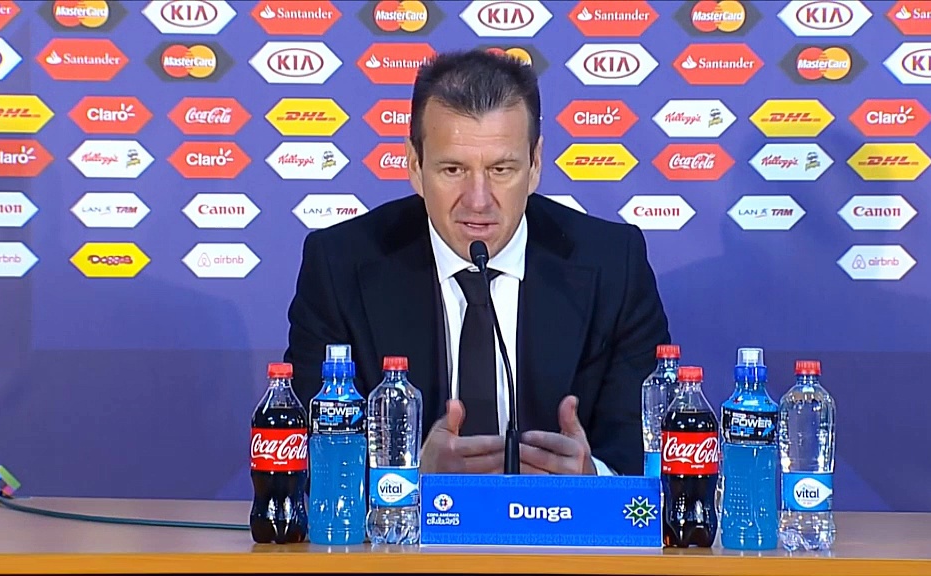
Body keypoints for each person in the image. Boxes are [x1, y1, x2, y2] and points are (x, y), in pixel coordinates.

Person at [283, 49, 670, 476]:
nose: (479, 200)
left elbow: (645, 453)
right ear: (415, 166)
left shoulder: (613, 264)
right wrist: (409, 476)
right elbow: (313, 455)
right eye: (453, 170)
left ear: (535, 164)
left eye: (501, 169)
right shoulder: (340, 265)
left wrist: (591, 479)